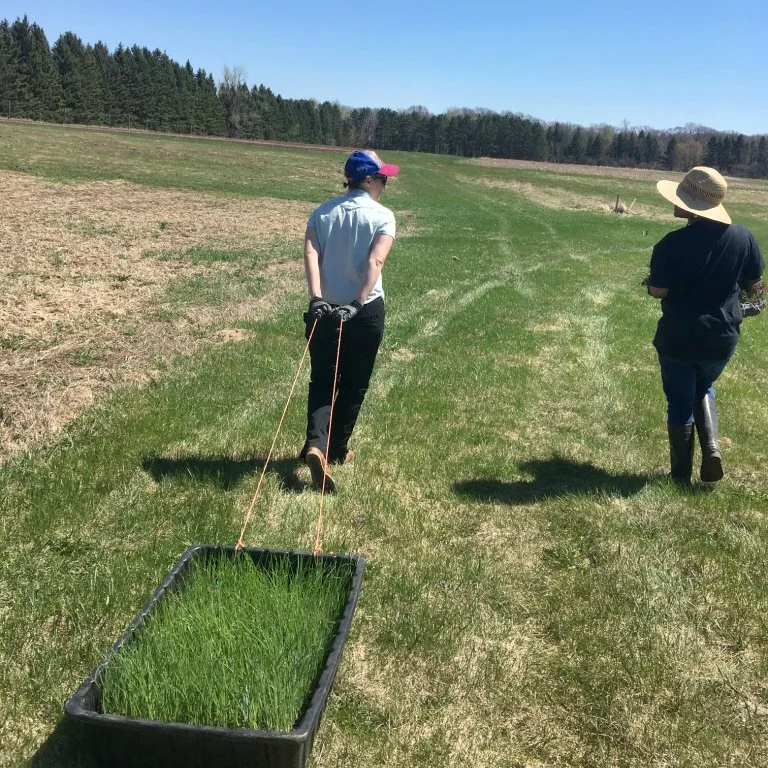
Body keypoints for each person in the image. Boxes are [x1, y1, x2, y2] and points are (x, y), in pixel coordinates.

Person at [646, 166, 764, 485]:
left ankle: (680, 477)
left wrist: (651, 284)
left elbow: (659, 290)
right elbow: (754, 285)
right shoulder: (743, 237)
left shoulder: (670, 244)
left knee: (681, 401)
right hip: (722, 339)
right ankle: (711, 447)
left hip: (679, 339)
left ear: (690, 205)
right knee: (703, 385)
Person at [300, 149, 400, 491]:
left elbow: (311, 253)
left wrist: (317, 298)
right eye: (383, 178)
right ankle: (337, 449)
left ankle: (316, 443)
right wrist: (357, 303)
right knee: (354, 383)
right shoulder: (384, 217)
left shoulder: (321, 213)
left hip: (324, 311)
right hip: (364, 311)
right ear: (369, 180)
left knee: (322, 380)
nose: (385, 184)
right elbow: (375, 264)